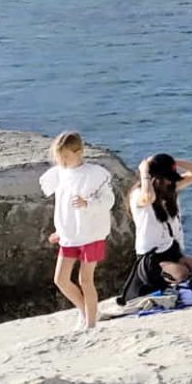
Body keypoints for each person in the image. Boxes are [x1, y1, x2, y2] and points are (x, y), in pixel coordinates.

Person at [125, 153, 192, 301]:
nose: (170, 181)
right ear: (155, 178)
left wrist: (172, 162)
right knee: (184, 276)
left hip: (174, 253)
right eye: (167, 178)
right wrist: (145, 171)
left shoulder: (170, 189)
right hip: (152, 260)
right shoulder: (138, 194)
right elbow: (149, 197)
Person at [38, 131, 115, 331]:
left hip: (91, 234)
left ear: (79, 152)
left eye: (66, 156)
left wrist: (87, 203)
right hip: (69, 235)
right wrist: (59, 230)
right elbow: (62, 205)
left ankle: (91, 324)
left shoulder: (95, 174)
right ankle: (85, 311)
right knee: (61, 279)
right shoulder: (59, 174)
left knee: (85, 280)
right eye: (59, 156)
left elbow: (108, 200)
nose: (62, 161)